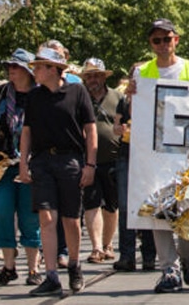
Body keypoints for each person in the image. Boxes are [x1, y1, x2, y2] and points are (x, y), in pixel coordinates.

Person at [19, 45, 97, 296]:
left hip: (70, 160)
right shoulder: (34, 96)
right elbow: (27, 131)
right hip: (42, 161)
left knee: (71, 219)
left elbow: (90, 129)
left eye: (39, 67)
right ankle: (51, 274)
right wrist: (23, 162)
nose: (35, 72)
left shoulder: (77, 91)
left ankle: (74, 264)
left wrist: (90, 164)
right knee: (46, 218)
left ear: (53, 69)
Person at [135, 19, 189, 294]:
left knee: (187, 217)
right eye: (157, 40)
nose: (163, 45)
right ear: (151, 44)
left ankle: (187, 256)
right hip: (155, 157)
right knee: (158, 215)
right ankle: (169, 269)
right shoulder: (143, 73)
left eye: (167, 39)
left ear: (176, 40)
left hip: (186, 157)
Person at [0, 48, 42, 287]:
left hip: (32, 164)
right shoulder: (2, 93)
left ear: (28, 69)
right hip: (3, 162)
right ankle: (8, 266)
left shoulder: (39, 94)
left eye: (16, 67)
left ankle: (34, 268)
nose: (11, 71)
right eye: (9, 67)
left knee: (29, 215)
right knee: (2, 211)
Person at [112, 65, 157, 273]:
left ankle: (149, 255)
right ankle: (127, 255)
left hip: (148, 157)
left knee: (148, 205)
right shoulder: (124, 100)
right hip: (126, 155)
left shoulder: (154, 99)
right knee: (125, 206)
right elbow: (116, 127)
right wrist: (120, 129)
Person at [80, 58, 122, 265]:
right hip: (88, 160)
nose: (93, 79)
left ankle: (108, 244)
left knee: (112, 206)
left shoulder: (117, 97)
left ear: (104, 77)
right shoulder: (80, 98)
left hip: (114, 159)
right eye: (89, 76)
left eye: (97, 75)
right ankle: (96, 247)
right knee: (91, 203)